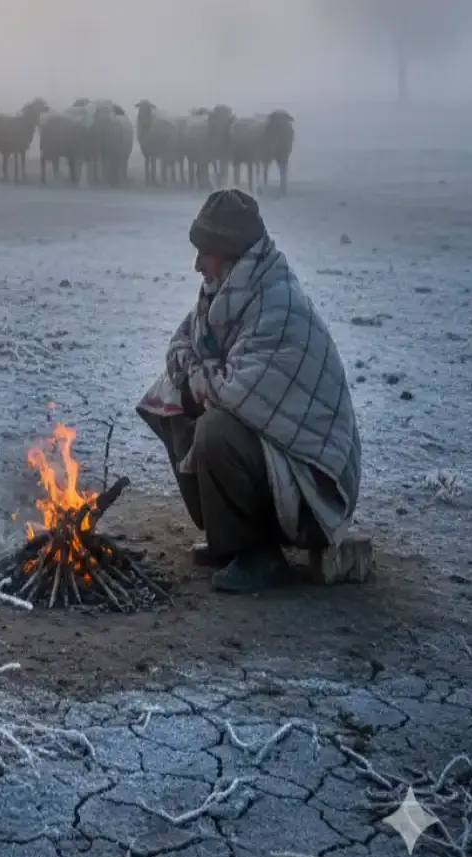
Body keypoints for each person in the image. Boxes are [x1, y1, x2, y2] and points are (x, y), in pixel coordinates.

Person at [137, 188, 363, 593]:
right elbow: (180, 345)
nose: (196, 265)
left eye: (205, 252)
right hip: (276, 452)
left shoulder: (277, 306)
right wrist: (190, 382)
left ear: (229, 252)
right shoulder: (227, 293)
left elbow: (233, 391)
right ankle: (230, 541)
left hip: (315, 488)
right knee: (170, 399)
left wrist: (194, 382)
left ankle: (260, 555)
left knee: (216, 429)